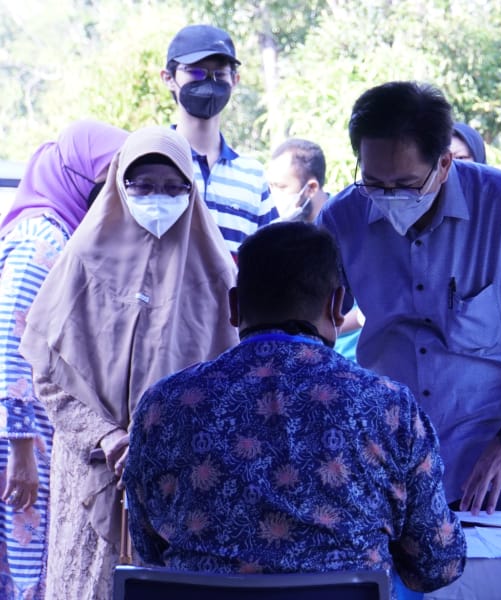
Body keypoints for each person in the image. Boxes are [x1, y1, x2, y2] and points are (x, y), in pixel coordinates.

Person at [124, 221, 466, 593]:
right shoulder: (387, 407)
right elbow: (438, 564)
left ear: (235, 307)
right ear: (336, 305)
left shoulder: (163, 407)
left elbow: (149, 548)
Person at [319, 81, 501, 516]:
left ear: (444, 164)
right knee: (396, 585)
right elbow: (317, 322)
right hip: (390, 454)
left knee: (497, 583)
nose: (390, 199)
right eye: (374, 182)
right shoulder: (342, 217)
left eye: (407, 184)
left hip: (495, 455)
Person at [19, 126, 239, 600]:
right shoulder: (82, 257)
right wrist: (108, 436)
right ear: (119, 183)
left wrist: (161, 438)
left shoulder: (217, 272)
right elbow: (49, 372)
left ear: (191, 190)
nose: (157, 197)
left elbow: (231, 383)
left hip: (180, 480)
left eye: (172, 186)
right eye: (142, 185)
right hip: (92, 468)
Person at [0, 120, 127, 599]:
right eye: (103, 178)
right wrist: (22, 451)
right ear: (75, 176)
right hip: (23, 445)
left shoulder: (63, 234)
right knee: (26, 570)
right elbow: (12, 350)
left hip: (34, 439)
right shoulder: (41, 243)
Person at [160, 24, 275, 257]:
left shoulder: (252, 176)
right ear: (169, 78)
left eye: (219, 74)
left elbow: (270, 260)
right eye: (195, 72)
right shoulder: (152, 161)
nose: (208, 82)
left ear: (235, 80)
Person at [266, 137, 329, 222]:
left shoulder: (345, 223)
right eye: (270, 187)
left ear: (311, 188)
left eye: (281, 187)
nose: (271, 196)